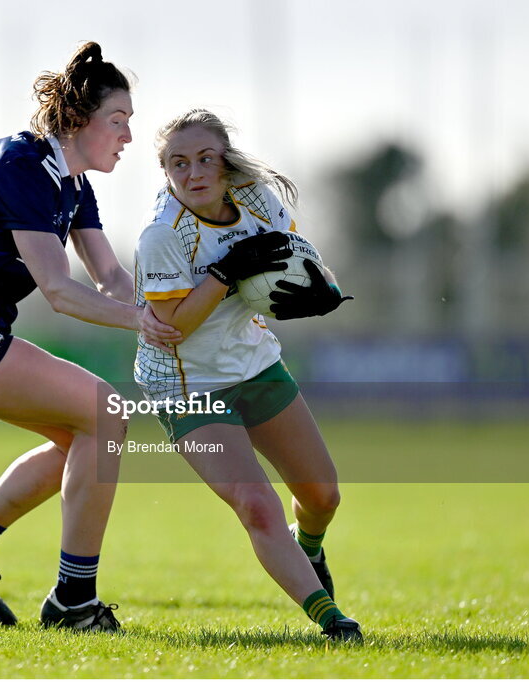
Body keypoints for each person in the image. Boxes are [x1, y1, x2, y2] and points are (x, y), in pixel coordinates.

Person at [0, 42, 180, 631]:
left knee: (85, 438)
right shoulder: (22, 170)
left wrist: (185, 318)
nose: (126, 137)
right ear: (76, 120)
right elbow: (62, 293)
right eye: (117, 122)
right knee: (106, 413)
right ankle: (73, 601)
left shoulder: (71, 183)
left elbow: (113, 279)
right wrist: (148, 326)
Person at [132, 109, 362, 642]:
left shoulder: (256, 197)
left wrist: (320, 290)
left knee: (323, 496)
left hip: (255, 365)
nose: (193, 174)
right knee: (257, 505)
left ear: (225, 158)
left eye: (204, 158)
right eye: (177, 164)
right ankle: (332, 620)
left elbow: (294, 260)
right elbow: (174, 328)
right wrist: (225, 272)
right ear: (165, 171)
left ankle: (308, 550)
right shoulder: (160, 236)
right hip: (185, 384)